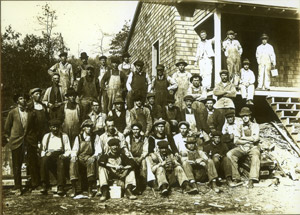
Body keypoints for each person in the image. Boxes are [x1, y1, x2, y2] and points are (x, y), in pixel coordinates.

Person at [4, 93, 40, 195]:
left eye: (24, 98)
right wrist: (10, 138)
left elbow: (35, 128)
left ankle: (35, 186)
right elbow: (7, 127)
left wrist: (34, 138)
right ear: (17, 101)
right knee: (17, 164)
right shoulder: (12, 113)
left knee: (32, 163)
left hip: (29, 141)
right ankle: (18, 187)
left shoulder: (31, 113)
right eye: (21, 98)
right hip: (17, 141)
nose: (23, 100)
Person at [227, 107, 261, 188]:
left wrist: (242, 138)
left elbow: (256, 138)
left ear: (250, 116)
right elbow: (236, 141)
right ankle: (236, 177)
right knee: (230, 154)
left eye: (246, 115)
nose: (244, 117)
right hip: (242, 147)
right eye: (243, 116)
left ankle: (252, 179)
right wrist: (249, 140)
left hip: (253, 147)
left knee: (255, 155)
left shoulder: (255, 125)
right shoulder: (239, 126)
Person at [40, 119, 71, 195]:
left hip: (59, 154)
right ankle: (44, 185)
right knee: (43, 160)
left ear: (60, 127)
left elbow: (68, 150)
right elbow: (42, 150)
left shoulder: (64, 136)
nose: (55, 129)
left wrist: (64, 155)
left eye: (57, 127)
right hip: (49, 154)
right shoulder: (46, 136)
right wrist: (45, 154)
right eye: (53, 127)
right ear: (50, 128)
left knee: (61, 163)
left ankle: (60, 187)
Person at [69, 119, 98, 197]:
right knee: (73, 162)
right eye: (87, 127)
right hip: (80, 157)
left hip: (89, 157)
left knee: (91, 162)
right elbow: (75, 149)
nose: (89, 129)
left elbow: (98, 150)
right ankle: (74, 188)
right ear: (83, 128)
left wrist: (94, 156)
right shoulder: (78, 137)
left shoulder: (95, 137)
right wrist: (74, 156)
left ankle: (90, 188)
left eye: (90, 127)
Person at [125, 122, 149, 194]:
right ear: (132, 130)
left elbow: (145, 150)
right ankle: (133, 186)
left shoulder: (144, 138)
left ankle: (142, 186)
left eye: (137, 129)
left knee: (144, 165)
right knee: (132, 166)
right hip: (131, 157)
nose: (135, 131)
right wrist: (132, 158)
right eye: (134, 129)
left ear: (140, 130)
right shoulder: (128, 138)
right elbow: (127, 150)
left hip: (141, 157)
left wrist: (141, 158)